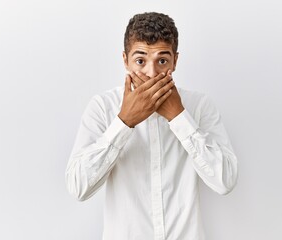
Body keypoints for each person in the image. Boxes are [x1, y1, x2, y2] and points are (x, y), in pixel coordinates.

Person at [66, 12, 238, 240]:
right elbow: (79, 188)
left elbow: (225, 181)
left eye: (162, 61)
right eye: (140, 61)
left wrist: (178, 117)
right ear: (125, 59)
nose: (152, 73)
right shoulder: (103, 107)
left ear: (175, 61)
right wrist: (124, 121)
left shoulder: (198, 106)